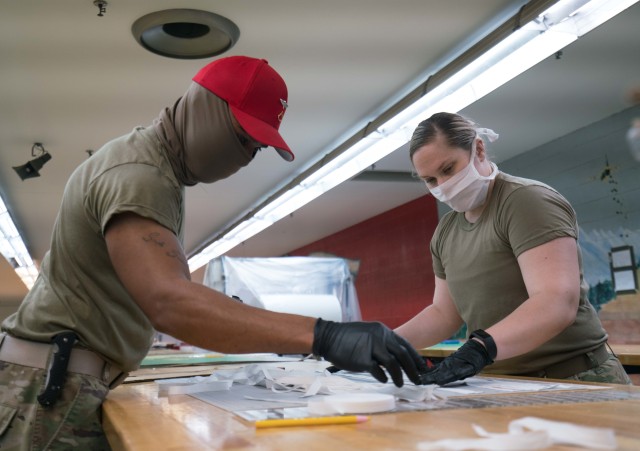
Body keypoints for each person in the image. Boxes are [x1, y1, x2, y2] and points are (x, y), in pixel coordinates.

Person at [0, 56, 427, 450]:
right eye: (242, 138)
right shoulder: (141, 174)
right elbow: (169, 301)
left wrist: (231, 313)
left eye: (256, 149)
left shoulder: (156, 170)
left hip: (60, 379)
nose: (245, 158)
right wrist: (325, 335)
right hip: (51, 389)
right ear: (205, 108)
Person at [394, 112, 632, 387]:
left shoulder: (525, 201)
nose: (443, 186)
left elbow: (556, 301)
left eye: (448, 169)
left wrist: (482, 347)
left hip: (574, 378)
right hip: (503, 382)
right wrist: (384, 343)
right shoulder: (446, 231)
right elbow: (444, 313)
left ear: (478, 149)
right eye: (431, 180)